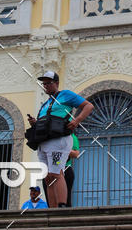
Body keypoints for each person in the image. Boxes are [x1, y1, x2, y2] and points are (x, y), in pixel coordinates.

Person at [27, 71, 93, 208]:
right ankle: (52, 208)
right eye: (44, 84)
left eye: (49, 83)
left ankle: (62, 205)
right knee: (48, 177)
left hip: (59, 140)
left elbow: (88, 106)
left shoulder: (66, 95)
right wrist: (36, 122)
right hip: (44, 142)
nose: (46, 86)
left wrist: (77, 120)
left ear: (56, 83)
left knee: (56, 173)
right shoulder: (46, 104)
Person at [63, 132, 80, 207]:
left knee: (66, 196)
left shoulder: (72, 137)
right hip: (51, 169)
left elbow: (76, 154)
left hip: (65, 168)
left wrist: (61, 148)